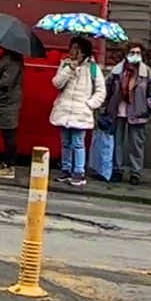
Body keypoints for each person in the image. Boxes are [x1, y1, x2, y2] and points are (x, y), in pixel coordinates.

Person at [49, 35, 106, 187]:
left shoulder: (93, 68)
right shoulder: (65, 65)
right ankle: (66, 170)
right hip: (64, 110)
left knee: (78, 143)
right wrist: (69, 69)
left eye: (76, 48)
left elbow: (101, 91)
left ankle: (78, 172)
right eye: (71, 48)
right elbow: (56, 83)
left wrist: (90, 104)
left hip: (81, 112)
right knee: (65, 142)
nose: (72, 51)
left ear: (83, 51)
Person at [103, 42, 151, 186]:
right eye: (132, 52)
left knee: (136, 144)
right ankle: (117, 169)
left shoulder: (147, 73)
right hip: (118, 111)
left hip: (138, 113)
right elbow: (107, 89)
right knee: (118, 142)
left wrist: (147, 107)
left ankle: (135, 172)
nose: (135, 55)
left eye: (138, 53)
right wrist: (105, 106)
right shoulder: (117, 72)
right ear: (126, 54)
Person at [0, 49, 25, 180]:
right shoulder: (7, 56)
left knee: (9, 134)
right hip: (5, 101)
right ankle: (6, 164)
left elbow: (6, 83)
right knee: (6, 134)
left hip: (8, 102)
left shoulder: (13, 60)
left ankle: (9, 166)